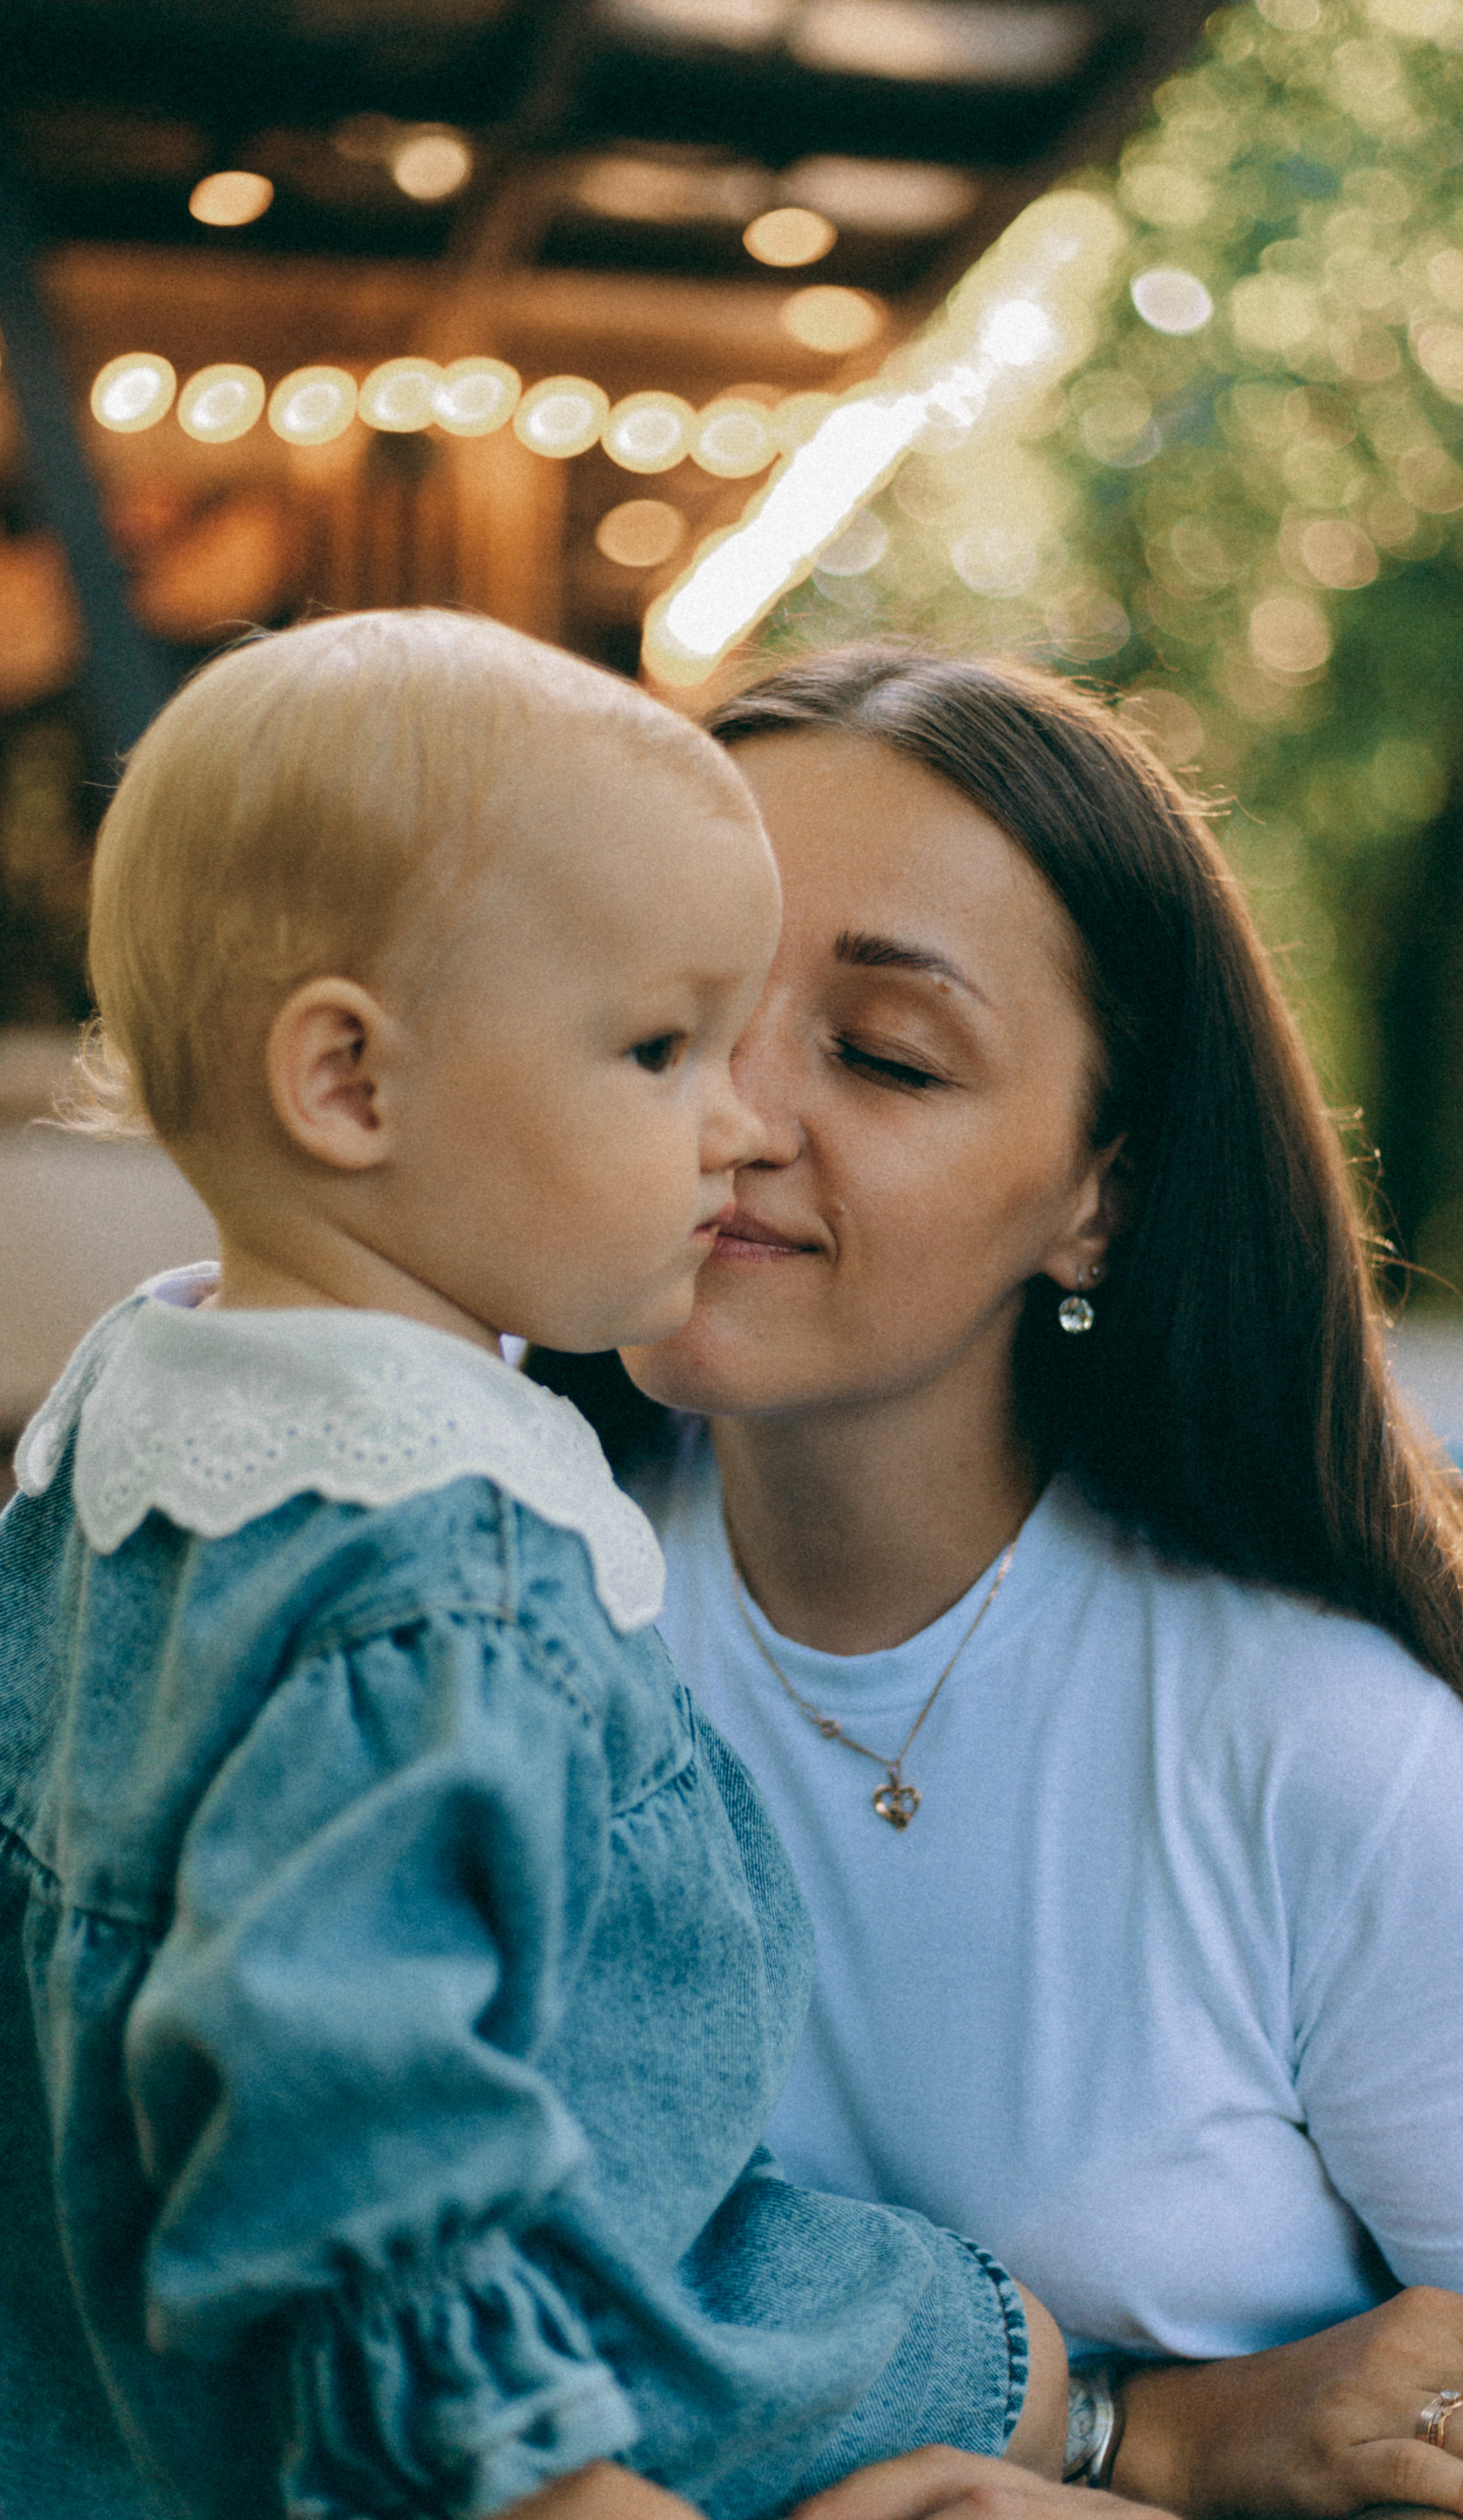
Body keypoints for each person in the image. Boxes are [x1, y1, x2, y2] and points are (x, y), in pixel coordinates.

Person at [528, 644, 1463, 2520]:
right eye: (676, 1015)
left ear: (1099, 1198)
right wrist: (1139, 2432)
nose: (732, 1111)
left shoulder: (1312, 1749)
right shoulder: (467, 1619)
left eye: (885, 1054)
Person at [0, 613, 1085, 2520]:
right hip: (484, 2358)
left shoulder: (132, 1421)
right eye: (662, 1048)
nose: (738, 1125)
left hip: (94, 2371)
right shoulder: (441, 1574)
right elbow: (344, 2103)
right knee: (1001, 2356)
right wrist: (533, 2478)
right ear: (351, 1084)